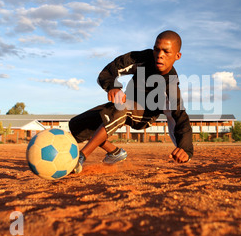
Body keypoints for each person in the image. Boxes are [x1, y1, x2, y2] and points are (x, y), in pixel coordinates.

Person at [69, 30, 193, 174]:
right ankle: (114, 152)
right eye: (156, 49)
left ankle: (80, 157)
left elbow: (179, 118)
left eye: (166, 52)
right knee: (77, 125)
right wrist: (113, 87)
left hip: (145, 115)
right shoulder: (143, 58)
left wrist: (185, 149)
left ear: (177, 56)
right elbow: (110, 70)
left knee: (122, 108)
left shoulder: (170, 85)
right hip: (125, 103)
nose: (160, 55)